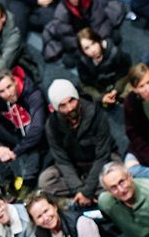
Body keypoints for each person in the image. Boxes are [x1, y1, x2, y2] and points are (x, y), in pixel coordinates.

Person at [40, 77, 119, 205]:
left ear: (77, 98)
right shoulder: (52, 125)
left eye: (72, 101)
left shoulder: (97, 115)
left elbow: (102, 155)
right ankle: (87, 196)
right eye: (63, 105)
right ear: (56, 108)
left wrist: (86, 191)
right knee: (45, 181)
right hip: (74, 166)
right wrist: (79, 189)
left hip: (100, 162)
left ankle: (83, 198)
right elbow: (62, 161)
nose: (70, 108)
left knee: (118, 174)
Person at [0, 70, 48, 186]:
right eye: (2, 91)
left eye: (9, 87)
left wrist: (16, 151)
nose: (8, 93)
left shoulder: (33, 93)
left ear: (15, 82)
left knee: (32, 129)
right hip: (18, 134)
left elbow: (37, 129)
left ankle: (29, 179)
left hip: (41, 136)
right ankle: (7, 178)